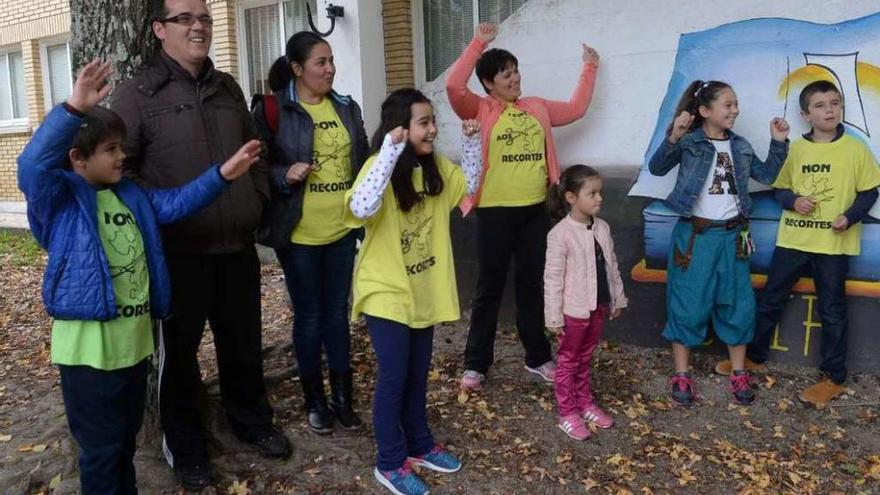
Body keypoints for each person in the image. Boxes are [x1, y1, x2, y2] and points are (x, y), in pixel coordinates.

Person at [17, 59, 261, 495]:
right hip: (89, 355)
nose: (121, 156)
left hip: (133, 348)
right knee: (101, 452)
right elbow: (33, 166)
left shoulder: (129, 194)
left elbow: (176, 203)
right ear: (78, 158)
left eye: (120, 147)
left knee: (124, 447)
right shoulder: (60, 202)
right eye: (110, 150)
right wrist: (73, 107)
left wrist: (223, 175)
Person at [110, 0, 287, 490]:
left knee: (243, 346)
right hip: (177, 255)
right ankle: (186, 449)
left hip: (236, 248)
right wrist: (159, 216)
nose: (198, 27)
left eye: (205, 17)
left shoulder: (227, 87)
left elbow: (257, 152)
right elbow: (119, 175)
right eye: (185, 18)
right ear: (159, 28)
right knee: (179, 361)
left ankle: (251, 423)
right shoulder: (137, 94)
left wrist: (256, 199)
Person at [445, 22, 600, 390]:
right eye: (505, 75)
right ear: (488, 83)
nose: (515, 79)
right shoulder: (478, 107)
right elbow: (453, 85)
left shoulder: (537, 107)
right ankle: (476, 364)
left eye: (516, 72)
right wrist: (478, 43)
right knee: (489, 288)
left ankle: (538, 357)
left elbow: (577, 108)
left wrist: (590, 67)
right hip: (495, 213)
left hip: (535, 211)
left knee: (532, 285)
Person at [344, 88, 481, 495]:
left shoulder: (435, 166)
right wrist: (389, 150)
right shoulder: (378, 167)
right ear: (400, 127)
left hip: (423, 288)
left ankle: (419, 444)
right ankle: (389, 461)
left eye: (433, 121)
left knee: (418, 373)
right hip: (385, 290)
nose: (434, 129)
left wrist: (471, 144)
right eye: (424, 122)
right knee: (394, 376)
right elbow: (361, 208)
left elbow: (469, 186)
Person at [715, 80, 880, 406]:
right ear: (806, 114)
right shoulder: (795, 149)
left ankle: (833, 377)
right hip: (794, 239)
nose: (829, 109)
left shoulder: (855, 148)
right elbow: (780, 188)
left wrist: (849, 216)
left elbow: (870, 191)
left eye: (834, 103)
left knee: (832, 310)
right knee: (772, 298)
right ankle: (755, 356)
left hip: (833, 246)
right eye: (820, 105)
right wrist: (793, 201)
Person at [252, 31, 370, 434]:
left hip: (342, 231)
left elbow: (365, 164)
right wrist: (285, 174)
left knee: (337, 315)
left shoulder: (346, 107)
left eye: (332, 60)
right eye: (321, 62)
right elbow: (255, 168)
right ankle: (314, 401)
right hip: (299, 234)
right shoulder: (275, 111)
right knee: (309, 318)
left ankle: (343, 399)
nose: (330, 69)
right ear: (297, 69)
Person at [648, 80, 790, 407]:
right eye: (728, 104)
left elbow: (766, 175)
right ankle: (682, 374)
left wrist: (779, 142)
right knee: (687, 302)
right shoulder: (691, 142)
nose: (735, 110)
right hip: (695, 239)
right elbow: (657, 168)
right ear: (705, 111)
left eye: (736, 103)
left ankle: (738, 372)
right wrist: (674, 135)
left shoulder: (739, 146)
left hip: (733, 237)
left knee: (738, 302)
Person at [544, 165, 628, 441]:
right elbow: (553, 280)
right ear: (571, 198)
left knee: (585, 357)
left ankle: (585, 403)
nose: (599, 198)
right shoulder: (560, 234)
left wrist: (617, 298)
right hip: (574, 311)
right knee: (568, 361)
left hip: (598, 307)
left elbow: (612, 266)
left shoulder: (602, 228)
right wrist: (554, 318)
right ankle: (567, 412)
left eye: (600, 192)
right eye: (592, 193)